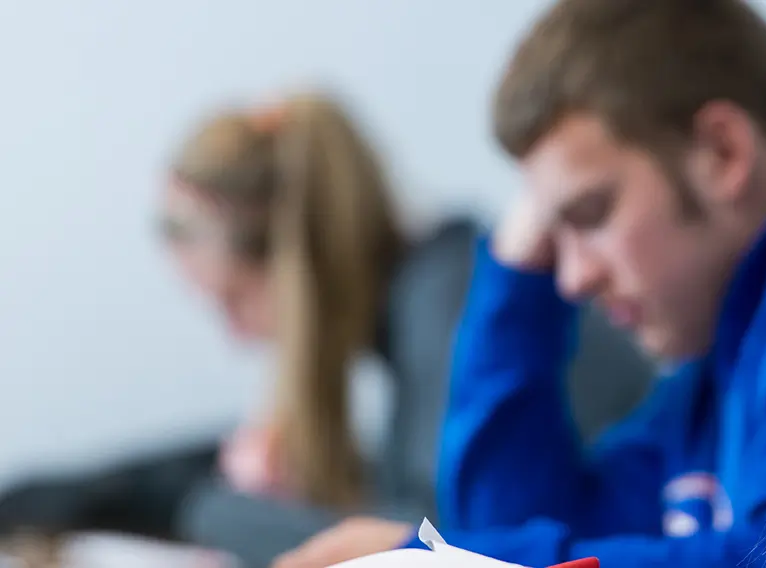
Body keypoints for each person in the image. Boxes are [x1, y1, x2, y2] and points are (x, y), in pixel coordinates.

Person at [269, 1, 766, 567]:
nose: (574, 277)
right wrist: (516, 279)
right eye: (555, 238)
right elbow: (522, 524)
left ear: (721, 153)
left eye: (589, 214)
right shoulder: (704, 376)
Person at [0, 92, 655, 568]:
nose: (237, 336)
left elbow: (438, 548)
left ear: (293, 268)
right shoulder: (432, 291)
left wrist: (201, 509)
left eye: (234, 300)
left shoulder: (449, 306)